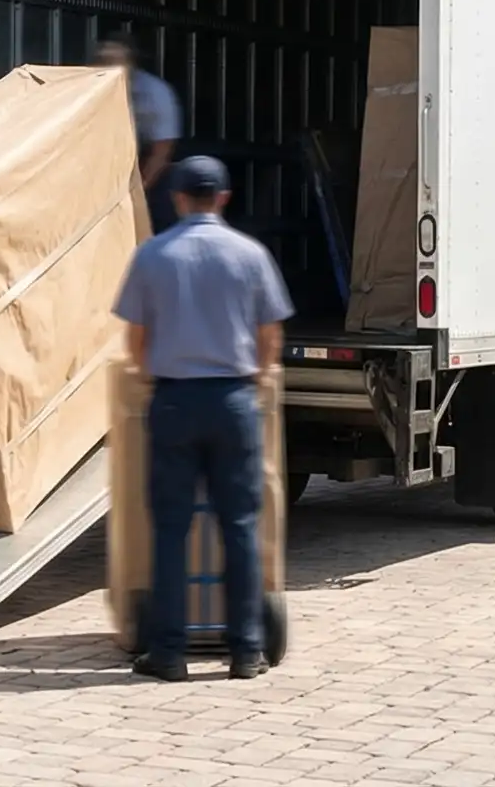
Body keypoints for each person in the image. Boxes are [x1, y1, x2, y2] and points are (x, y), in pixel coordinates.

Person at [113, 154, 293, 682]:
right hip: (235, 400)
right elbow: (270, 337)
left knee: (170, 529)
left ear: (176, 198)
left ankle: (168, 654)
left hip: (173, 401)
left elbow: (135, 340)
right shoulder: (251, 254)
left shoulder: (152, 255)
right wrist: (253, 382)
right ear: (224, 198)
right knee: (239, 525)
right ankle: (247, 651)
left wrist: (154, 379)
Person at [99, 34, 182, 231]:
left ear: (130, 62)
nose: (106, 66)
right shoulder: (95, 88)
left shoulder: (154, 93)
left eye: (114, 61)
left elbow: (162, 149)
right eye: (103, 61)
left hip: (150, 169)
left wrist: (139, 190)